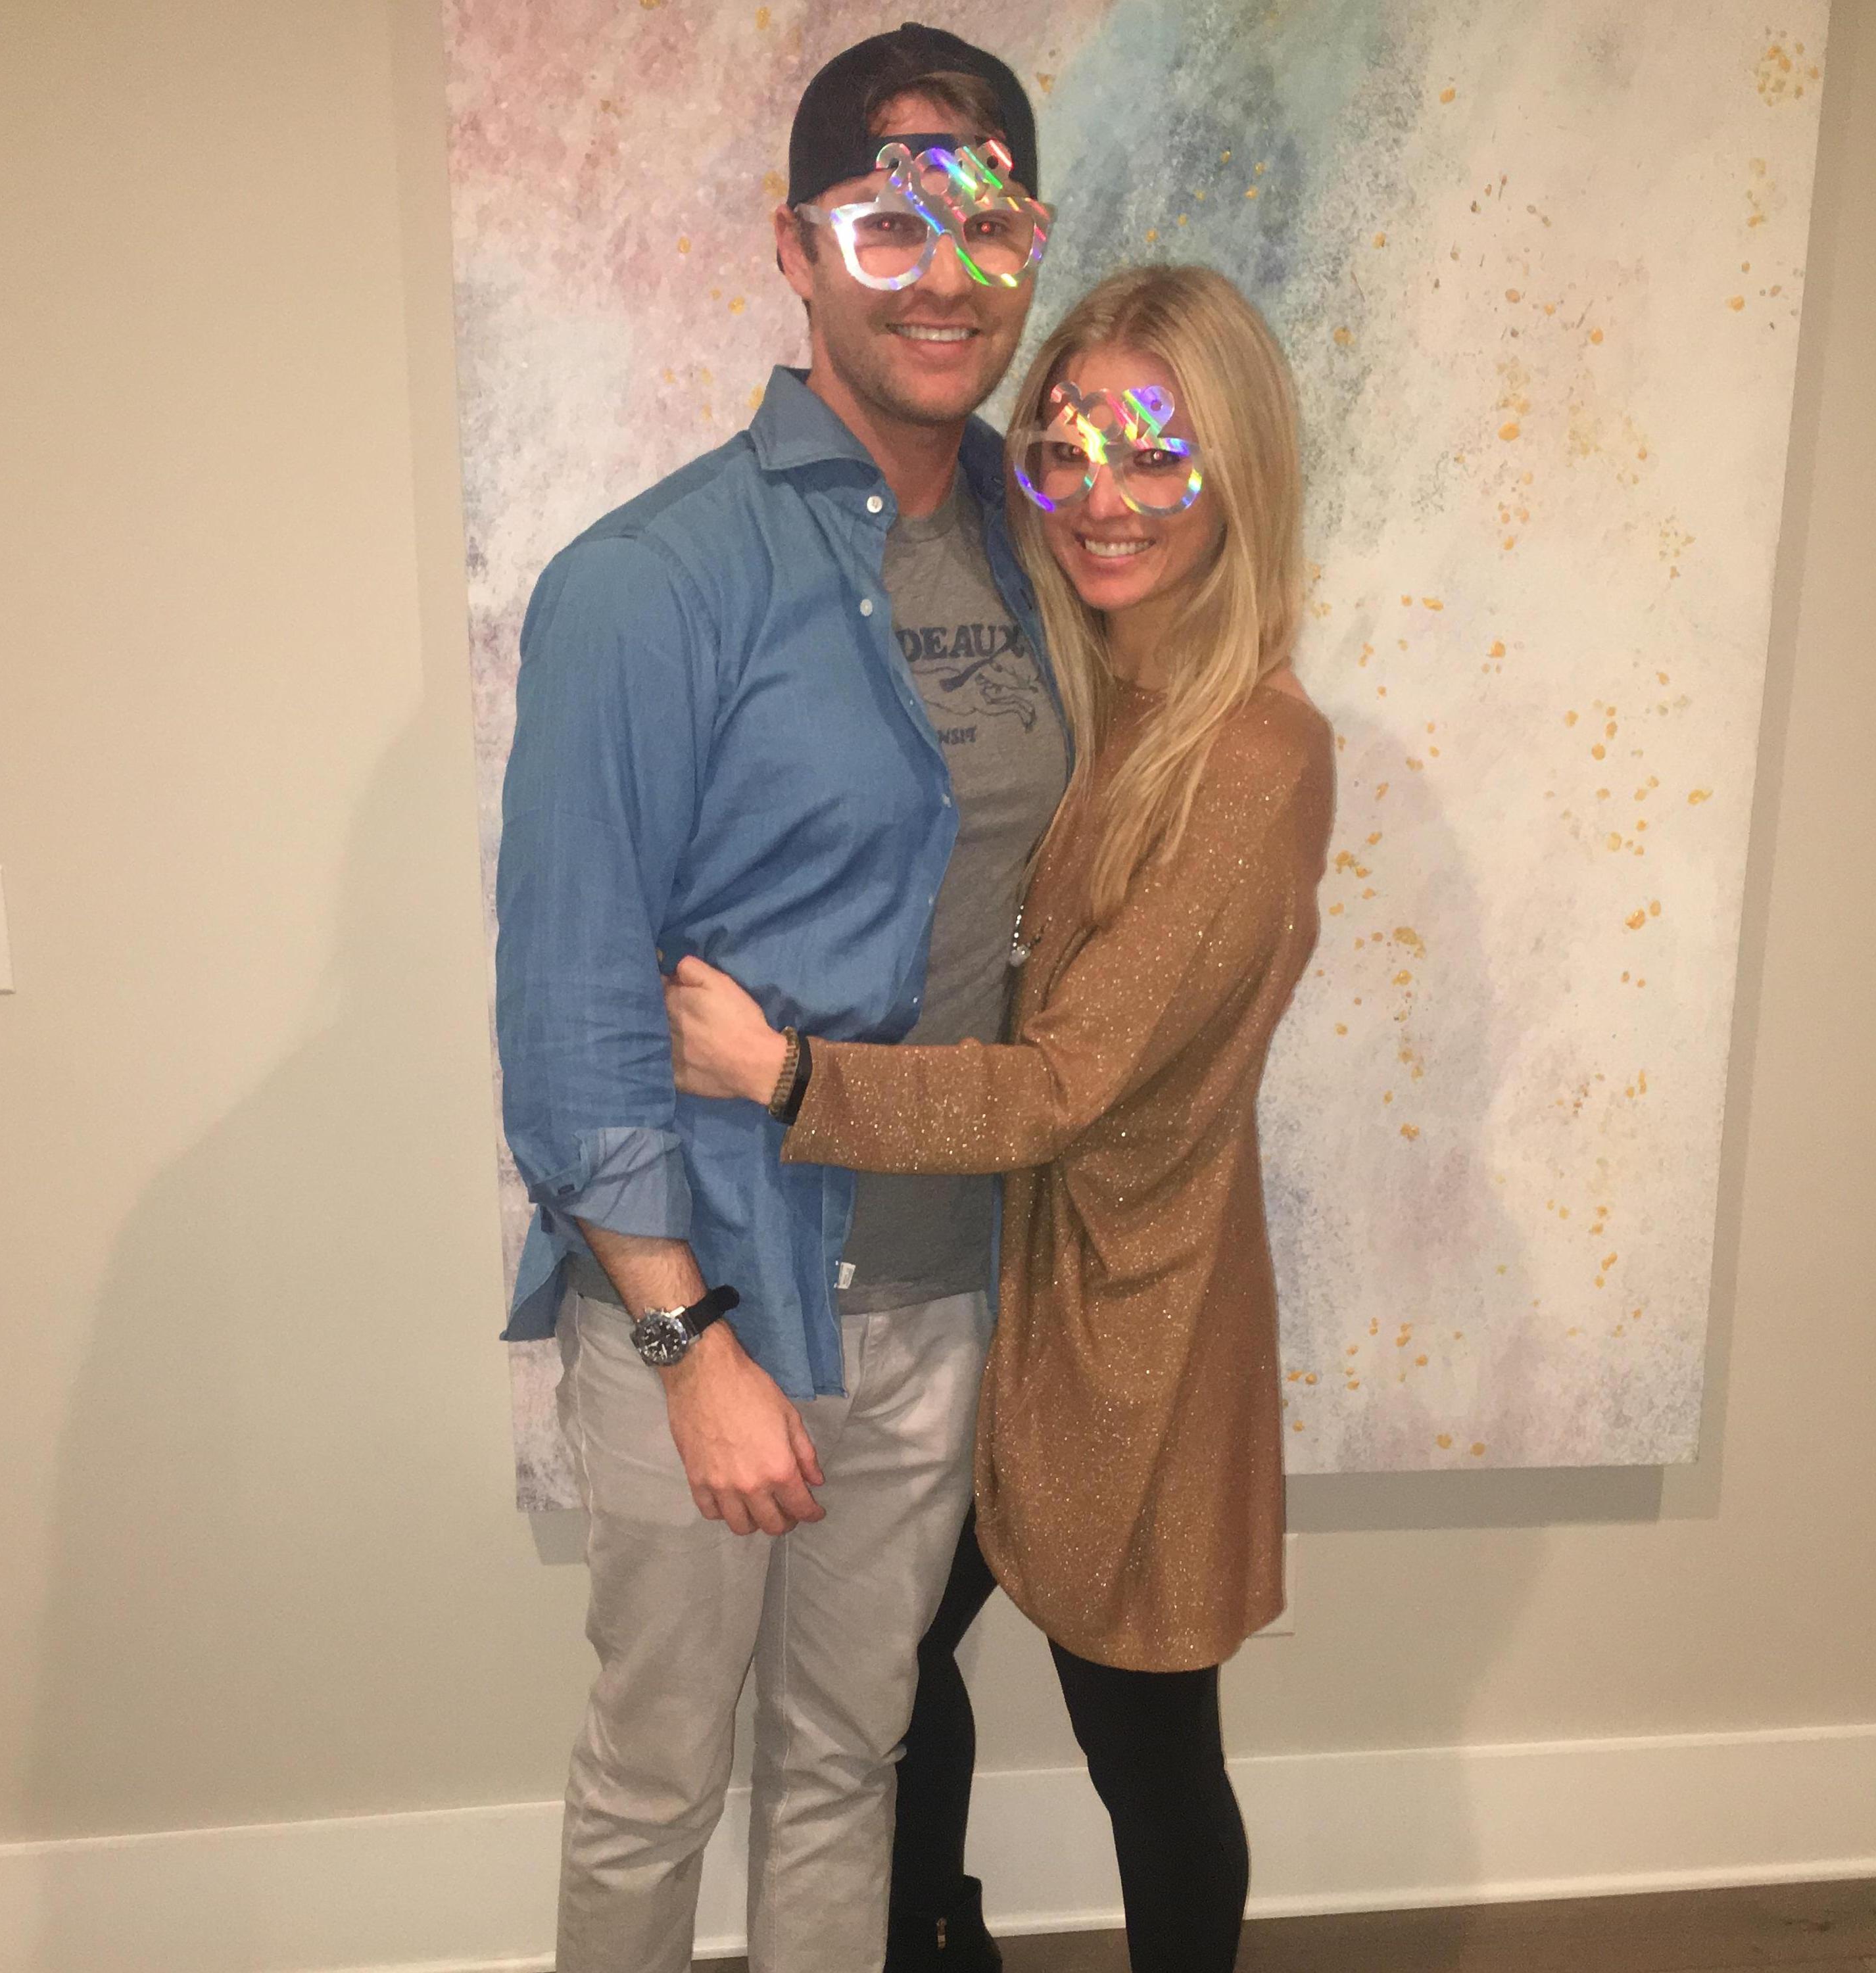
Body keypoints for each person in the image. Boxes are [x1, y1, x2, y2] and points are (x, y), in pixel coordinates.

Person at [665, 262, 1336, 1973]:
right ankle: (935, 1937)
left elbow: (1063, 1084)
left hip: (1134, 1324)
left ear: (1238, 474)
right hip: (998, 1285)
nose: (1101, 495)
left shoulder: (1252, 756)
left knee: (1146, 1753)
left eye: (1154, 450)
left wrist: (785, 1073)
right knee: (888, 1667)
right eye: (1066, 445)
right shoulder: (1082, 693)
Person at [493, 23, 1072, 1973]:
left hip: (939, 1285)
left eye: (987, 225)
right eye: (889, 223)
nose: (944, 275)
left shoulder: (1050, 555)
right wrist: (688, 1346)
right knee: (658, 1775)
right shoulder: (649, 580)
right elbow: (573, 1003)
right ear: (796, 247)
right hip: (719, 1291)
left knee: (848, 1757)